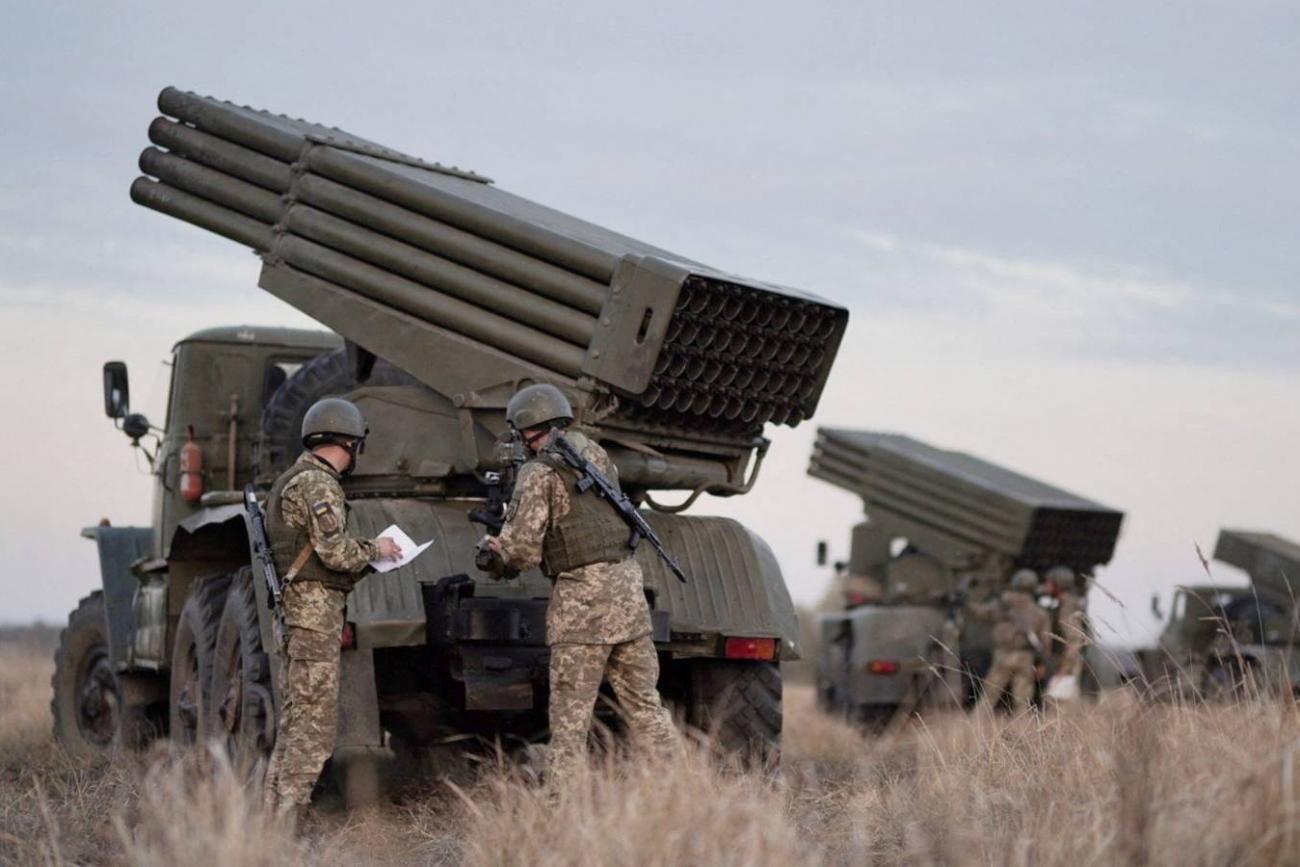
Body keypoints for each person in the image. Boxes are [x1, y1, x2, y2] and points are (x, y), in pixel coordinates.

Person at [484, 383, 681, 787]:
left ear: (527, 429)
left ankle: (562, 812)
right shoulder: (595, 454)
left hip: (582, 609)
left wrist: (494, 550)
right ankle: (686, 795)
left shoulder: (537, 473)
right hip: (627, 597)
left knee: (570, 723)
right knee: (647, 708)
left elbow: (521, 552)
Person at [262, 397, 401, 816]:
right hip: (313, 616)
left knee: (295, 724)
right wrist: (378, 548)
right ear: (350, 442)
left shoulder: (295, 478)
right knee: (313, 730)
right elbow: (336, 552)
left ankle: (272, 821)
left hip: (300, 615)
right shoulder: (318, 484)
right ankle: (287, 823)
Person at [968, 568, 1051, 714]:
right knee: (1022, 702)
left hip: (1002, 654)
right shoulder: (1040, 613)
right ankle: (1023, 733)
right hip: (1026, 657)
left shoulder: (1001, 605)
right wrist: (1042, 663)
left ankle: (973, 731)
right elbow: (1046, 642)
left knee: (988, 698)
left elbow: (978, 612)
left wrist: (968, 599)